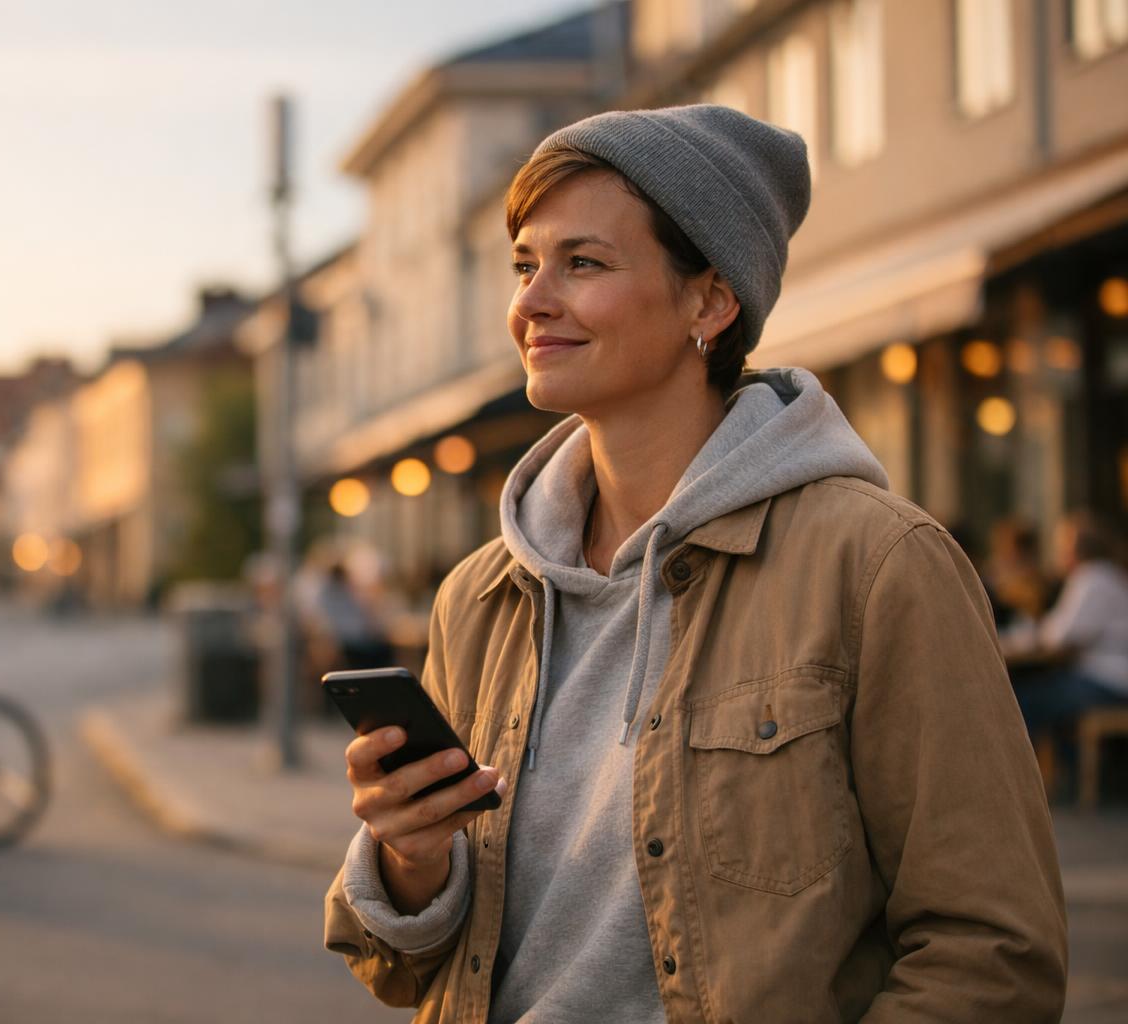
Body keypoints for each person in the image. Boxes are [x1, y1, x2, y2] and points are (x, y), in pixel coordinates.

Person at [322, 106, 1067, 1022]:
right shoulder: (480, 596)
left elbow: (993, 953)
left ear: (710, 302)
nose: (531, 302)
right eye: (524, 265)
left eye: (582, 263)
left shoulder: (878, 566)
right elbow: (401, 970)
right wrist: (411, 859)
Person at [1009, 511, 1128, 736]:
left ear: (1075, 549)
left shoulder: (1093, 578)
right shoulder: (1108, 575)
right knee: (1052, 702)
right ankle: (1069, 759)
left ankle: (1018, 759)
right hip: (1109, 680)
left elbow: (1062, 635)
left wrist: (1030, 635)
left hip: (1108, 681)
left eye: (1061, 546)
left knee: (1021, 702)